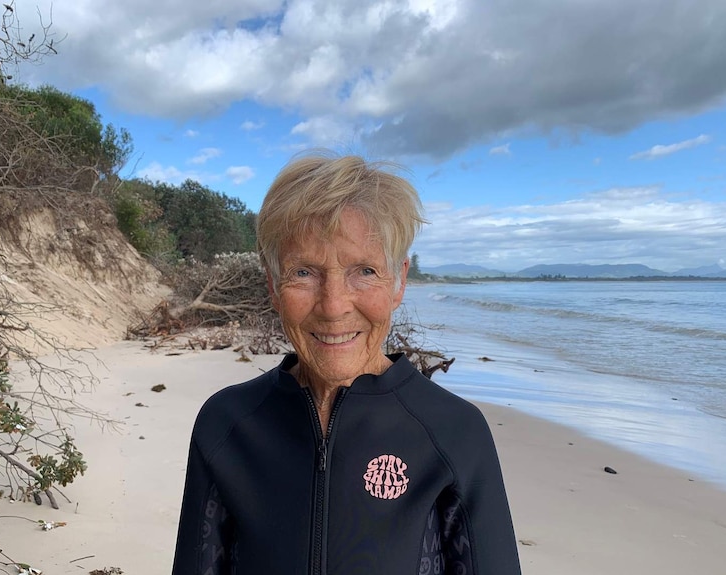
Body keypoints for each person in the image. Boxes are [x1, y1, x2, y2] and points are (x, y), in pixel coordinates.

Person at [171, 153, 521, 575]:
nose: (334, 307)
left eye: (365, 271)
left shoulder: (454, 432)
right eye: (303, 272)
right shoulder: (226, 425)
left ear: (398, 281)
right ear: (272, 284)